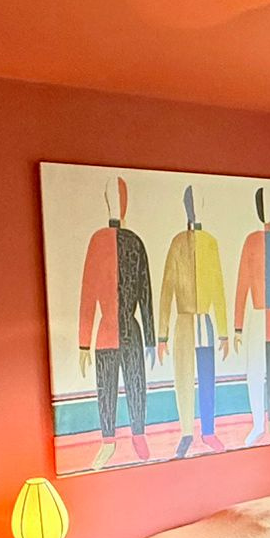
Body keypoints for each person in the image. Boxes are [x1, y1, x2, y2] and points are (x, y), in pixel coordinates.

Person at [75, 176, 155, 468]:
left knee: (136, 384)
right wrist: (83, 343)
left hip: (131, 329)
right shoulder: (98, 241)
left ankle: (138, 434)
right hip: (106, 329)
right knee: (105, 387)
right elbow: (87, 293)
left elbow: (145, 293)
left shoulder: (135, 242)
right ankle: (108, 441)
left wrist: (151, 338)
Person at [156, 185, 229, 457]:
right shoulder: (177, 243)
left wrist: (223, 332)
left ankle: (208, 431)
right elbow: (166, 289)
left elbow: (219, 288)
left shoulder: (210, 243)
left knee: (208, 379)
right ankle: (187, 432)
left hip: (205, 321)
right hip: (184, 321)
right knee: (183, 378)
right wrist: (162, 335)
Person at [231, 187, 270, 446]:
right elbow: (242, 285)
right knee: (254, 372)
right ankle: (258, 423)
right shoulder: (250, 241)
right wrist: (237, 327)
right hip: (256, 319)